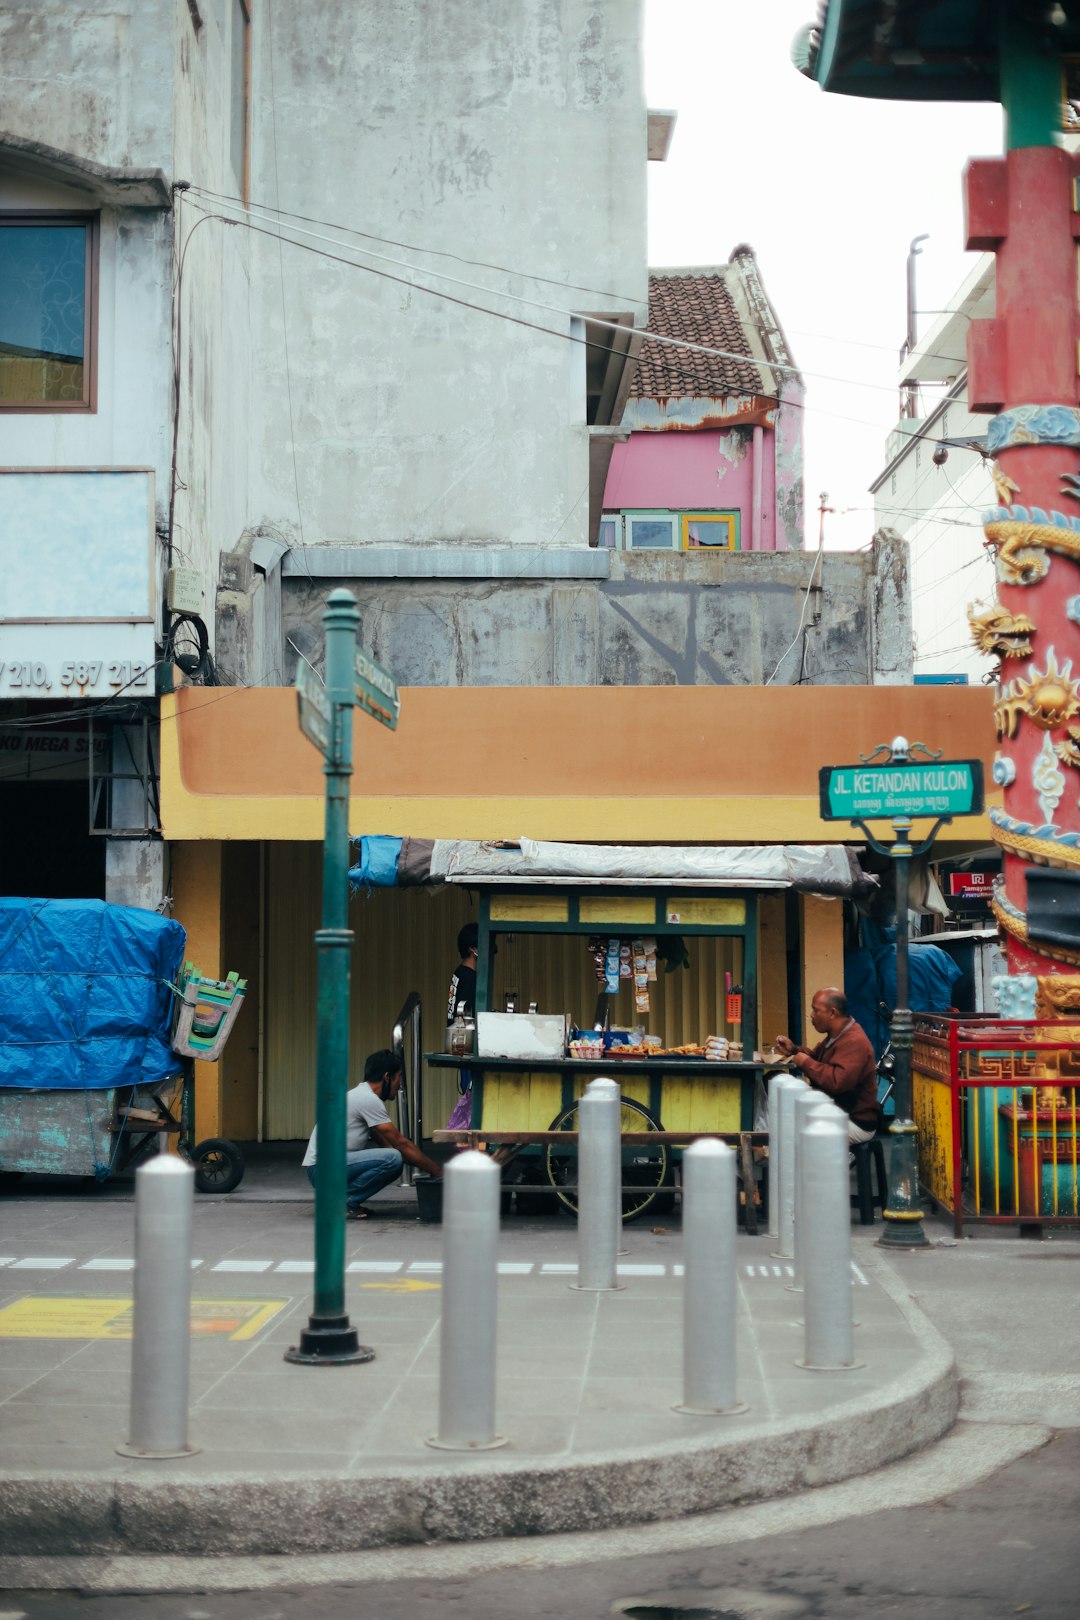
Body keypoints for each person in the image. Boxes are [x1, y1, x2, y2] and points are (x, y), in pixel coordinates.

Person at [302, 1049, 442, 1219]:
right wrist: (438, 1171)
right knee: (393, 1159)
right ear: (387, 1077)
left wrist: (425, 1167)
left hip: (322, 1168)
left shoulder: (360, 1096)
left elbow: (388, 1146)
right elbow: (400, 1144)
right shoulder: (368, 1099)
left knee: (394, 1158)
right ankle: (343, 1201)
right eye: (399, 1077)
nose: (399, 1084)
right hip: (322, 1168)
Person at [774, 987, 879, 1144]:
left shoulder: (854, 1041)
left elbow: (838, 1082)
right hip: (836, 1111)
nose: (812, 1015)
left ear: (832, 1013)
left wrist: (805, 1063)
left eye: (816, 1010)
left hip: (854, 1120)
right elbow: (817, 1058)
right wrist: (794, 1050)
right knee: (784, 1115)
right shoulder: (837, 1035)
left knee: (793, 1131)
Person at [446, 921, 478, 1027]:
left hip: (453, 1034)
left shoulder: (459, 973)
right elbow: (467, 1016)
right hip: (463, 1038)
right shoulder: (470, 977)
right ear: (472, 948)